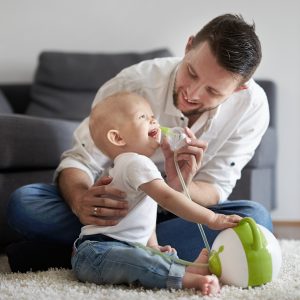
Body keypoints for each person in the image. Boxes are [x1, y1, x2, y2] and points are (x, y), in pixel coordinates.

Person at [7, 13, 272, 271]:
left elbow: (216, 187)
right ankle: (129, 250)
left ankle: (89, 251)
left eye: (213, 91)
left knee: (256, 219)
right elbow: (80, 159)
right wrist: (80, 202)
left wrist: (182, 186)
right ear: (188, 46)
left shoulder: (251, 109)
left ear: (239, 89)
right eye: (191, 72)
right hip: (115, 210)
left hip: (181, 209)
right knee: (25, 202)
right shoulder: (132, 84)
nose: (192, 93)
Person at [72, 91, 241, 294]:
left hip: (120, 249)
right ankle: (186, 278)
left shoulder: (132, 165)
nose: (153, 119)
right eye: (143, 117)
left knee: (153, 256)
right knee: (137, 261)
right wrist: (212, 218)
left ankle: (184, 268)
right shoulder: (135, 162)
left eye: (152, 115)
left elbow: (143, 215)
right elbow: (167, 198)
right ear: (117, 137)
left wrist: (152, 245)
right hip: (98, 251)